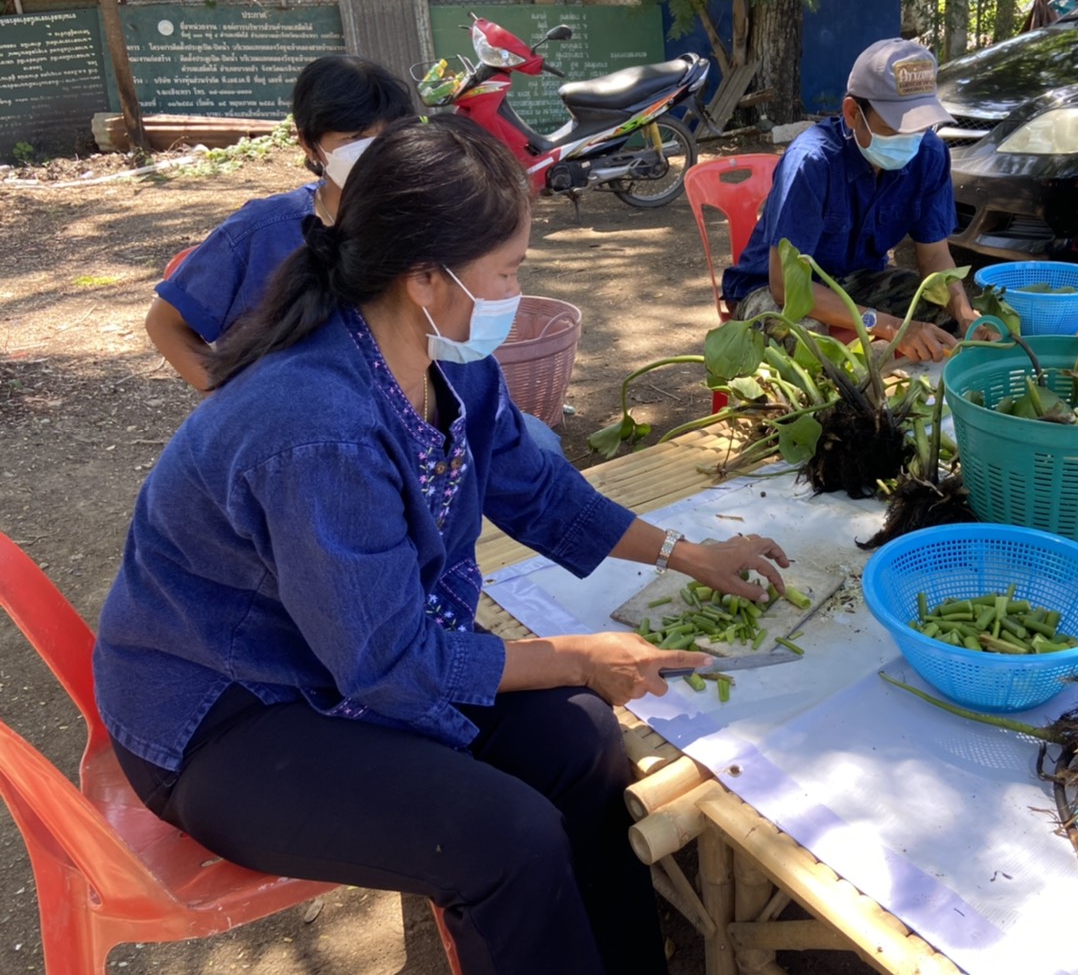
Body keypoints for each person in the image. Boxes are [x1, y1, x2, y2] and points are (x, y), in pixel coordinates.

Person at [94, 117, 790, 974]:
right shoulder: (317, 429)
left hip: (343, 656)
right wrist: (577, 655)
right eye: (509, 271)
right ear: (425, 276)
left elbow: (538, 489)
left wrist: (689, 553)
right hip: (229, 711)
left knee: (580, 739)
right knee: (507, 841)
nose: (516, 292)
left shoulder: (445, 356)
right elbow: (388, 664)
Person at [144, 53, 565, 452]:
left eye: (389, 133)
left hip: (412, 420)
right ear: (310, 145)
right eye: (355, 138)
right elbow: (165, 323)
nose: (375, 149)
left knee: (538, 443)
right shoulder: (259, 233)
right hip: (315, 435)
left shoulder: (427, 216)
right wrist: (236, 408)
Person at [720, 38, 977, 363]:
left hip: (857, 280)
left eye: (919, 127)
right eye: (893, 127)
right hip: (770, 289)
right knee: (809, 344)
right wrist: (888, 325)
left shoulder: (929, 155)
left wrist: (966, 316)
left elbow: (936, 257)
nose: (909, 140)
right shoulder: (812, 162)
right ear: (853, 113)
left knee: (944, 319)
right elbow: (786, 286)